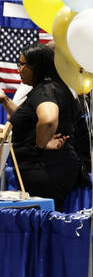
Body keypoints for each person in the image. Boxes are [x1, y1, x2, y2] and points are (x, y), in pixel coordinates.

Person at [1, 44, 83, 210]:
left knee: (42, 226)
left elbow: (48, 120)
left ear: (37, 67)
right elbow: (29, 120)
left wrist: (41, 143)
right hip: (48, 170)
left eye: (23, 65)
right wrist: (5, 100)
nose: (19, 69)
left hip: (45, 171)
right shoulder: (52, 88)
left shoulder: (45, 91)